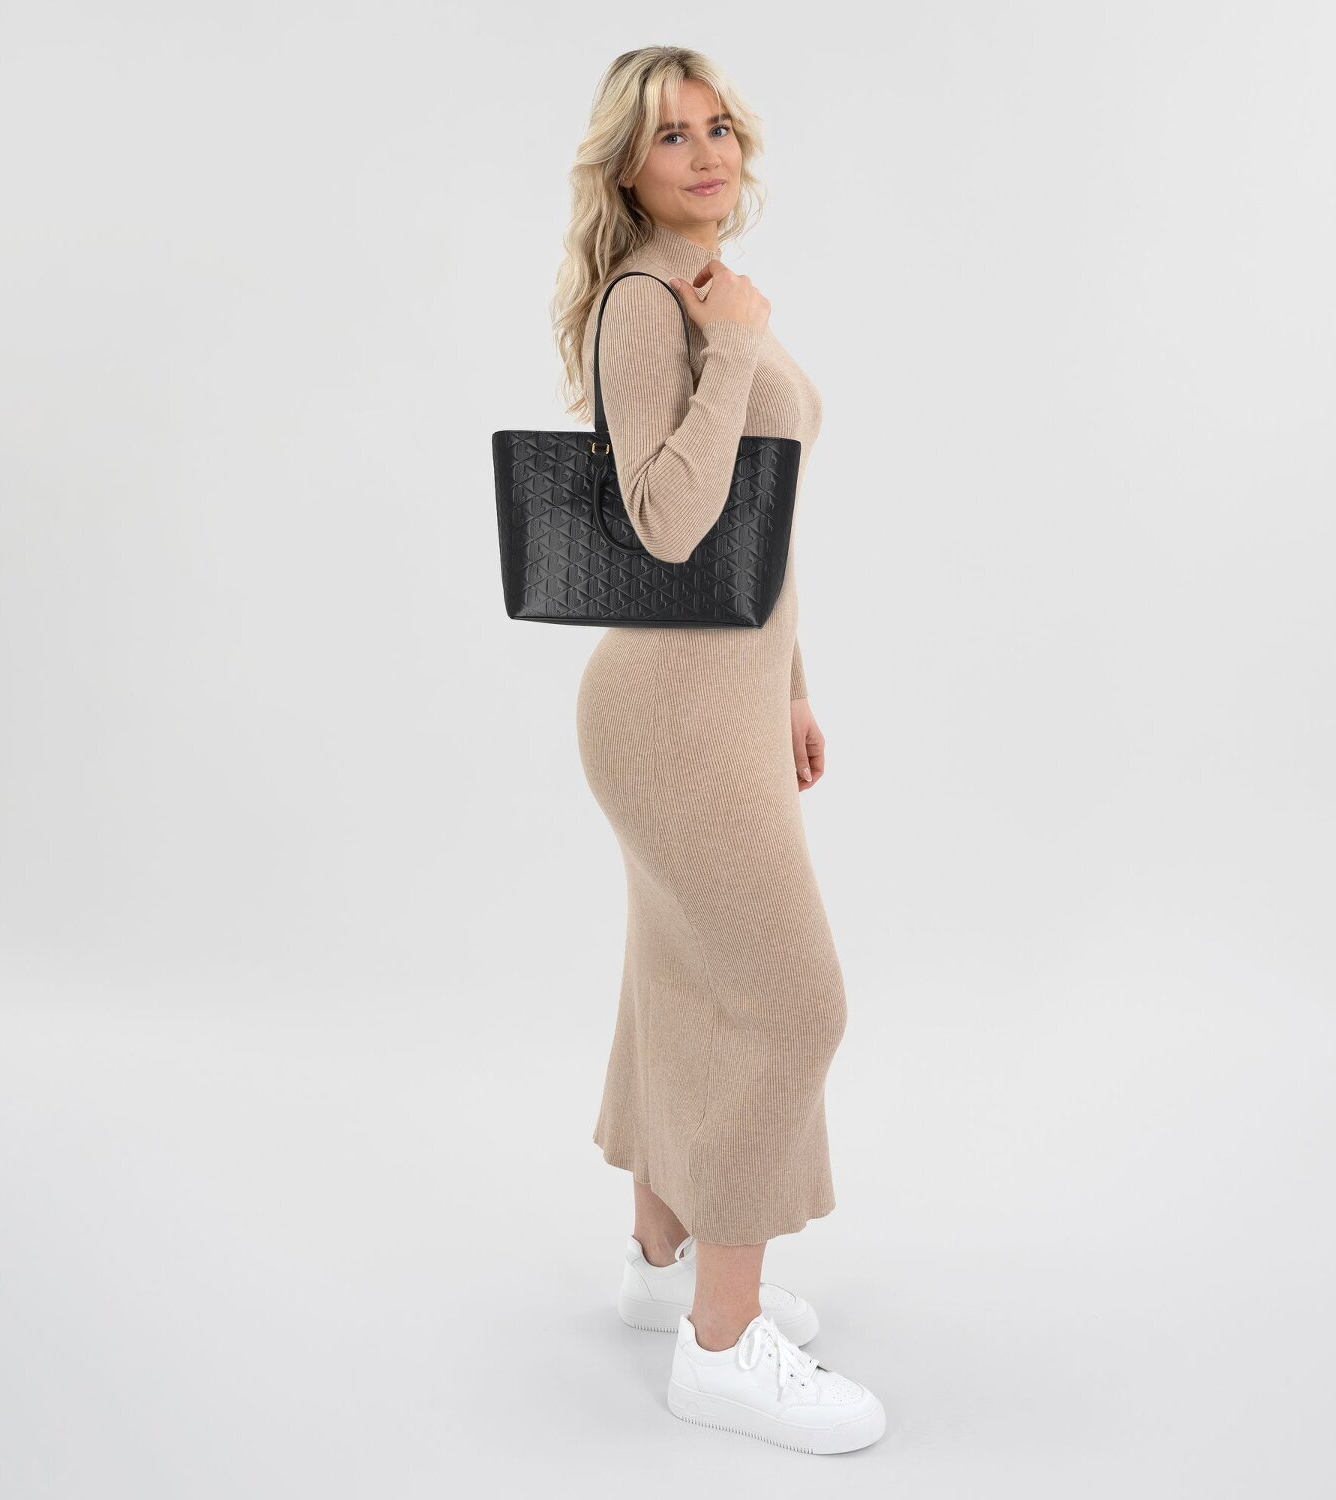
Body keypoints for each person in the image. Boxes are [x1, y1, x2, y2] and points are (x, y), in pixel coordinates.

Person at [551, 47, 885, 1456]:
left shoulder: (704, 286)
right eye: (670, 136)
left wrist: (790, 685)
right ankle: (724, 1346)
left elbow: (760, 518)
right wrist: (736, 339)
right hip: (669, 710)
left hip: (729, 696)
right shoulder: (651, 301)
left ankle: (661, 1263)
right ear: (625, 167)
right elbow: (670, 522)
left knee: (684, 980)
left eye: (719, 127)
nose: (706, 153)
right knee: (793, 1003)